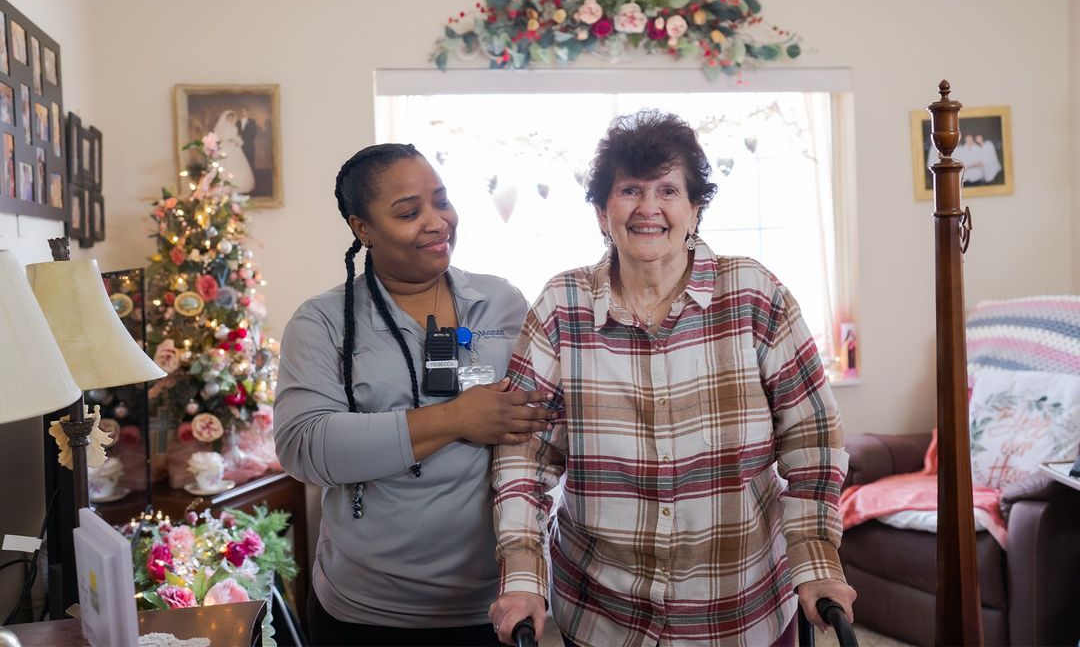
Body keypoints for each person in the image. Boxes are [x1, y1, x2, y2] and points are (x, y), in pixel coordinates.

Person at [488, 111, 856, 647]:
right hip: (602, 613)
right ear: (601, 211)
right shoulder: (560, 305)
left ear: (694, 208)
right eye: (629, 190)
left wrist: (817, 558)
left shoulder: (753, 293)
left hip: (741, 610)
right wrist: (523, 574)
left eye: (668, 190)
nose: (649, 207)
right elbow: (526, 459)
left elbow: (813, 443)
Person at [274, 143, 555, 647]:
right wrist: (456, 419)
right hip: (368, 611)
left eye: (441, 201)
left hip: (494, 603)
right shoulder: (322, 322)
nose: (437, 221)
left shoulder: (501, 303)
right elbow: (305, 446)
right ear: (363, 229)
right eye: (409, 212)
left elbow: (536, 424)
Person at [211, 109, 254, 193]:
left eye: (232, 117)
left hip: (234, 147)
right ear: (226, 118)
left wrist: (237, 141)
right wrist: (228, 139)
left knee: (238, 165)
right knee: (225, 165)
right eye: (229, 117)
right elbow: (218, 137)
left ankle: (237, 185)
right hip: (225, 147)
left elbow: (236, 136)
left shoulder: (234, 126)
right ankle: (224, 186)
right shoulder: (222, 127)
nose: (231, 119)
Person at [237, 106, 259, 170]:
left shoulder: (252, 122)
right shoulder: (238, 122)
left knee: (250, 161)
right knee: (240, 162)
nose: (243, 113)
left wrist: (246, 140)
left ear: (248, 112)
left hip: (249, 145)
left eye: (244, 111)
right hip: (240, 146)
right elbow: (236, 133)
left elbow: (254, 133)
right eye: (241, 111)